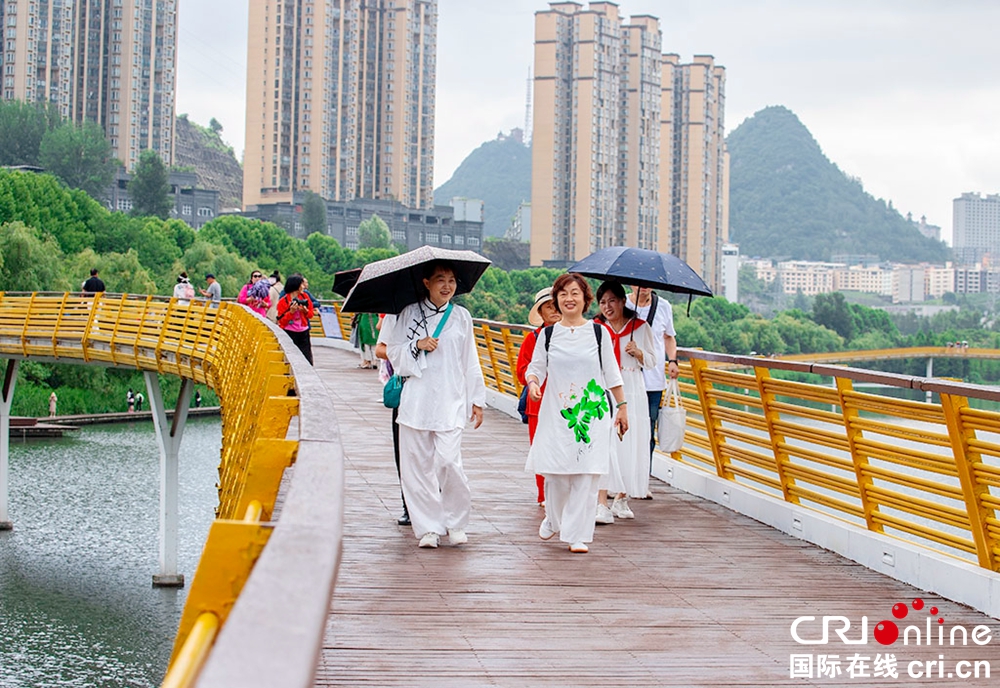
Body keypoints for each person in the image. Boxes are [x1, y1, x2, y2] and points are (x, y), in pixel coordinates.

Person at [382, 260, 486, 549]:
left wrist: (477, 399)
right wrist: (417, 345)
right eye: (440, 279)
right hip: (416, 401)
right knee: (417, 467)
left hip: (450, 400)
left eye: (451, 280)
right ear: (426, 282)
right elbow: (392, 350)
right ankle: (428, 527)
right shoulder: (408, 312)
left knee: (448, 461)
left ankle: (455, 521)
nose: (447, 286)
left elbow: (470, 359)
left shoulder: (462, 317)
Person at [525, 273, 628, 554]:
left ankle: (577, 535)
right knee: (557, 474)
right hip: (558, 414)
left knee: (587, 474)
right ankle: (554, 518)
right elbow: (535, 368)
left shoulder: (598, 333)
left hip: (592, 412)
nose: (569, 299)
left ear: (585, 299)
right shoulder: (548, 335)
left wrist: (622, 407)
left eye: (575, 293)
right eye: (563, 294)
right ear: (556, 300)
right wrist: (533, 383)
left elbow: (612, 373)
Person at [594, 281, 657, 517]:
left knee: (629, 442)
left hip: (631, 387)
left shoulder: (640, 327)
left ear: (623, 301)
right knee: (604, 441)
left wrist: (638, 352)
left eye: (612, 301)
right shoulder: (597, 327)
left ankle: (621, 497)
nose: (607, 306)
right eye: (602, 302)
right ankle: (601, 501)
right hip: (605, 388)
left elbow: (652, 361)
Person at [626, 285, 679, 476]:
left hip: (654, 380)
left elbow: (669, 338)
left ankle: (642, 477)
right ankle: (622, 477)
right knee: (624, 428)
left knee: (648, 431)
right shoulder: (621, 304)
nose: (644, 286)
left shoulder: (663, 306)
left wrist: (672, 360)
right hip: (626, 378)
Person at [515, 287, 561, 506]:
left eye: (556, 305)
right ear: (541, 313)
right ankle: (543, 494)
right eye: (548, 307)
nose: (553, 310)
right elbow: (522, 369)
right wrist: (536, 378)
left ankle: (562, 491)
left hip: (566, 401)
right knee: (540, 447)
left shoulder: (573, 334)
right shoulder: (533, 338)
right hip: (538, 402)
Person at [375, 314, 409, 525]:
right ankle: (408, 504)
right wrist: (410, 351)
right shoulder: (395, 313)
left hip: (438, 394)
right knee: (403, 450)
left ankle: (437, 503)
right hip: (405, 389)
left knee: (440, 455)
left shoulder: (449, 315)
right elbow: (380, 349)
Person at [276, 273, 315, 364]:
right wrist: (291, 312)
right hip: (289, 331)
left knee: (306, 358)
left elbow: (310, 315)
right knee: (290, 357)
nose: (303, 286)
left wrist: (305, 311)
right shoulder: (283, 301)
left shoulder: (305, 297)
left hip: (303, 331)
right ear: (296, 286)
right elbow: (281, 321)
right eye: (301, 284)